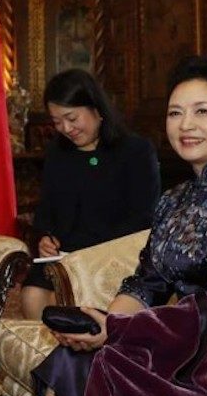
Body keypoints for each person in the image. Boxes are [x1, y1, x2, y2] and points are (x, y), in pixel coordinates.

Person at [33, 54, 207, 396]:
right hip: (175, 345)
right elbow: (147, 283)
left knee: (101, 363)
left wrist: (120, 330)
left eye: (202, 111)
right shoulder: (173, 200)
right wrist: (105, 323)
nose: (185, 125)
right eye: (175, 112)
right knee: (77, 356)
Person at [22, 69, 160, 319]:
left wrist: (90, 254)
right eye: (56, 122)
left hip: (111, 256)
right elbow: (46, 211)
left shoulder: (135, 152)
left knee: (60, 301)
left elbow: (143, 218)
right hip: (63, 257)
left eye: (71, 118)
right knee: (32, 296)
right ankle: (49, 358)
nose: (65, 128)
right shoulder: (57, 153)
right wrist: (45, 238)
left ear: (96, 108)